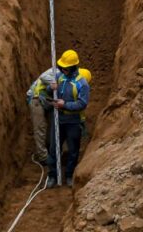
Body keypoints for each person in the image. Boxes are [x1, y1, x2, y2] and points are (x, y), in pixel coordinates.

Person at [27, 65, 92, 164]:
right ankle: (43, 157)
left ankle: (53, 151)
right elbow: (43, 77)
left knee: (52, 125)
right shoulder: (59, 72)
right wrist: (54, 84)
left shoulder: (73, 82)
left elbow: (78, 103)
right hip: (37, 98)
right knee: (41, 127)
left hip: (50, 100)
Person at [44, 49, 89, 188]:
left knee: (73, 150)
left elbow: (82, 103)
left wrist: (66, 105)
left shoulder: (82, 83)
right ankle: (52, 176)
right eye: (61, 68)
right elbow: (48, 90)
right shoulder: (60, 77)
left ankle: (69, 175)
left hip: (73, 121)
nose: (62, 70)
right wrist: (51, 88)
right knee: (53, 148)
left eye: (65, 68)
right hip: (59, 118)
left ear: (72, 67)